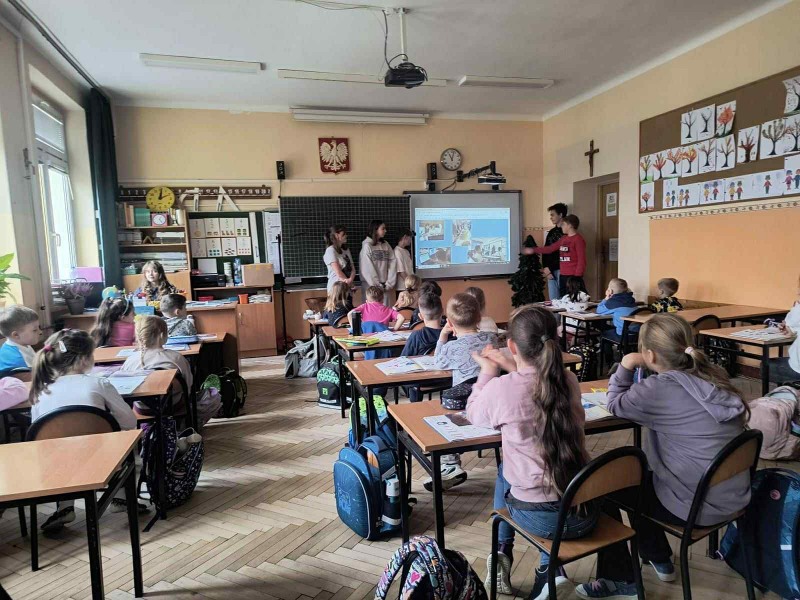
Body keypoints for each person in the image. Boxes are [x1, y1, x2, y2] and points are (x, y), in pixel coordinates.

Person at [575, 313, 750, 599]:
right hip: (733, 497)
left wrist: (627, 364)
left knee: (604, 488)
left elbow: (615, 404)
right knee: (641, 481)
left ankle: (620, 580)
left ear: (650, 355)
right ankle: (658, 557)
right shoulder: (714, 376)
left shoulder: (659, 389)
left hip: (695, 505)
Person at [468, 305, 597, 600]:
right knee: (529, 473)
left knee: (506, 471)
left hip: (540, 518)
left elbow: (474, 413)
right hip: (585, 511)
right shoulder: (569, 380)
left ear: (512, 346)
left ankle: (508, 553)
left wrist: (488, 371)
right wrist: (514, 367)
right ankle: (550, 572)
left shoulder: (502, 388)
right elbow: (539, 385)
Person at [30, 329, 143, 531]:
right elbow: (129, 421)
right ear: (84, 359)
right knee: (123, 444)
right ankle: (120, 498)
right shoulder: (99, 383)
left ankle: (64, 508)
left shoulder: (41, 390)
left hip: (54, 465)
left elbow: (37, 432)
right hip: (101, 460)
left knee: (65, 451)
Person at [431, 293, 499, 490]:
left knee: (443, 415)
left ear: (450, 322)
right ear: (479, 317)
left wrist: (443, 336)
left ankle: (451, 464)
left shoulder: (451, 347)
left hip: (463, 405)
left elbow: (438, 362)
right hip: (493, 403)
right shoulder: (492, 339)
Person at [120, 315, 193, 396]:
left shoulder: (130, 360)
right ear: (161, 335)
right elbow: (188, 384)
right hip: (173, 402)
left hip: (139, 403)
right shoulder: (176, 358)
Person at [525, 214, 586, 297]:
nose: (562, 227)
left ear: (570, 225)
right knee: (564, 299)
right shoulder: (563, 239)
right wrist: (533, 250)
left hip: (573, 277)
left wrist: (577, 277)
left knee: (575, 300)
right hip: (563, 275)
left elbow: (581, 260)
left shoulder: (578, 239)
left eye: (563, 224)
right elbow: (550, 249)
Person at [401, 293, 445, 402]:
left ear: (420, 316)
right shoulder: (451, 334)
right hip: (447, 379)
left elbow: (403, 359)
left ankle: (415, 404)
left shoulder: (416, 336)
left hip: (422, 381)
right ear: (442, 312)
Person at [770, 274, 800, 383]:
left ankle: (787, 391)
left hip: (797, 369)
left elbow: (789, 322)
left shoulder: (798, 309)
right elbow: (791, 327)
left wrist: (797, 305)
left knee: (765, 365)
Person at [359, 220, 397, 306]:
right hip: (371, 287)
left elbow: (392, 263)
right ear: (375, 230)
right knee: (372, 310)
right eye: (383, 229)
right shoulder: (367, 246)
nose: (385, 231)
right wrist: (377, 285)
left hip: (385, 286)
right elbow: (367, 268)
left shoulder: (386, 244)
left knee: (385, 311)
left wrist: (389, 283)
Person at [0, 305, 41, 374]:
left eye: (39, 328)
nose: (40, 332)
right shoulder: (18, 360)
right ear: (16, 335)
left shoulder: (19, 344)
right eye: (35, 330)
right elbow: (35, 377)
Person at [596, 278, 637, 342]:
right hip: (637, 335)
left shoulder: (613, 302)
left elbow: (599, 310)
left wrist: (606, 298)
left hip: (622, 336)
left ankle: (605, 349)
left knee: (604, 334)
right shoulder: (631, 300)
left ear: (610, 291)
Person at [542, 203, 567, 301]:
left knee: (564, 300)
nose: (551, 217)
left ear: (560, 215)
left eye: (553, 215)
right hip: (550, 271)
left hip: (562, 270)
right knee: (554, 301)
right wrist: (545, 267)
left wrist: (550, 268)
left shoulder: (566, 232)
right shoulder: (552, 232)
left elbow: (564, 254)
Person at [323, 224, 355, 295]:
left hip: (347, 287)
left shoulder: (346, 250)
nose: (346, 235)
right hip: (336, 289)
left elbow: (353, 268)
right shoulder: (330, 250)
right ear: (336, 235)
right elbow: (338, 272)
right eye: (344, 234)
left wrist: (350, 280)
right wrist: (349, 283)